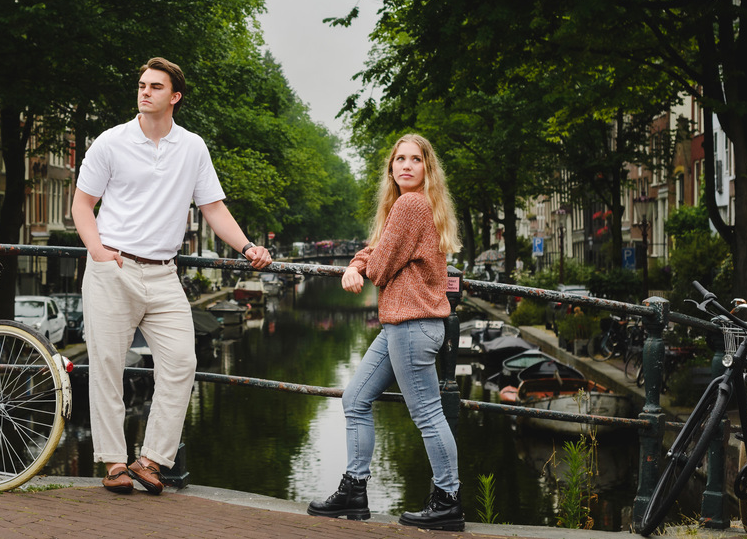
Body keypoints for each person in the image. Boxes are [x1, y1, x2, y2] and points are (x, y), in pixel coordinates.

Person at [72, 57, 273, 496]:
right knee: (107, 368)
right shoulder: (110, 142)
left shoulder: (193, 148)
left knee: (182, 362)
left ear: (175, 96)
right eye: (142, 85)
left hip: (164, 274)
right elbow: (82, 205)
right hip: (114, 269)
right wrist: (99, 253)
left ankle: (151, 460)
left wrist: (247, 247)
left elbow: (213, 208)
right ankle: (113, 462)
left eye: (155, 87)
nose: (145, 92)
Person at [307, 133, 463, 531]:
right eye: (399, 159)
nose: (406, 165)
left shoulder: (410, 205)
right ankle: (354, 492)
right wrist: (356, 262)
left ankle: (448, 501)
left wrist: (360, 266)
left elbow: (379, 267)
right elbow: (377, 249)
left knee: (428, 414)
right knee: (356, 398)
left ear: (427, 168)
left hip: (411, 326)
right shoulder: (411, 207)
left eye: (415, 159)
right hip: (403, 326)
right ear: (391, 167)